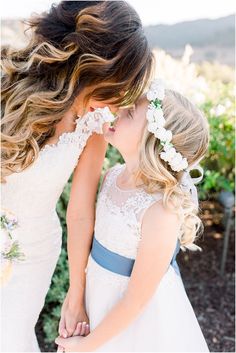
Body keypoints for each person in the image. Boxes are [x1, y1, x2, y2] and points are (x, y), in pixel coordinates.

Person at [0, 1, 153, 351]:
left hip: (33, 253)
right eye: (119, 81)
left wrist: (76, 292)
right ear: (98, 67)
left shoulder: (95, 123)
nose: (117, 98)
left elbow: (81, 211)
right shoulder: (8, 85)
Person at [55, 79, 210, 352]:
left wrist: (87, 345)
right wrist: (76, 295)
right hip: (97, 294)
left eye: (129, 114)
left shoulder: (161, 212)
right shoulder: (114, 176)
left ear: (150, 142)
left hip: (133, 318)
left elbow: (136, 301)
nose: (119, 110)